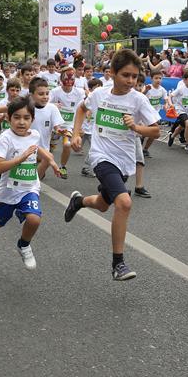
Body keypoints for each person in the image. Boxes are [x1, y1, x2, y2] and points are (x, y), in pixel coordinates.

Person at [67, 49, 161, 280]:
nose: (130, 81)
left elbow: (156, 130)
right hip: (101, 157)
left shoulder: (139, 99)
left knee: (102, 204)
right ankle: (118, 264)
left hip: (124, 161)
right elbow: (81, 109)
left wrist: (137, 128)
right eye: (125, 75)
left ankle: (79, 201)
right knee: (124, 202)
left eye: (135, 76)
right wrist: (76, 134)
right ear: (112, 73)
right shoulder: (100, 94)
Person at [0, 96, 61, 269]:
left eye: (26, 118)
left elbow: (38, 148)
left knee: (34, 219)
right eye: (16, 117)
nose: (21, 122)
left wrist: (51, 161)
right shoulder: (5, 139)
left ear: (32, 119)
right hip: (8, 191)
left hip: (29, 187)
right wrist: (21, 158)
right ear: (8, 118)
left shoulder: (35, 134)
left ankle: (23, 245)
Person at [49, 66, 85, 178]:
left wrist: (79, 128)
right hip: (55, 125)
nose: (69, 82)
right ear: (61, 79)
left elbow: (82, 109)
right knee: (47, 150)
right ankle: (43, 165)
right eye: (66, 79)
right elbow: (44, 104)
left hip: (68, 126)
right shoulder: (55, 92)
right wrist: (53, 105)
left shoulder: (79, 92)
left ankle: (62, 167)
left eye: (72, 79)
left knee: (67, 145)